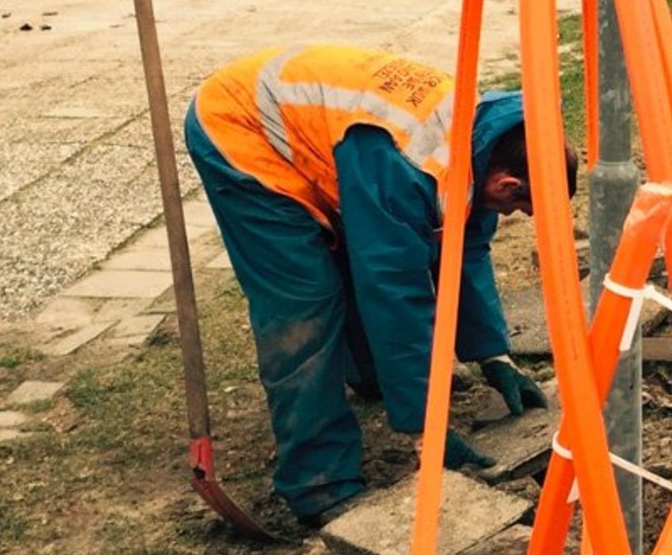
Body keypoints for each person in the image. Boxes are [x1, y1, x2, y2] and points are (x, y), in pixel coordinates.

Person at [184, 44, 569, 525]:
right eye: (515, 208)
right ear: (509, 184)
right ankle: (320, 483)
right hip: (242, 132)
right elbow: (394, 293)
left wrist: (493, 355)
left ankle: (371, 378)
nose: (509, 216)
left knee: (361, 257)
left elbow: (463, 253)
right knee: (306, 301)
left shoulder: (482, 143)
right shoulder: (409, 162)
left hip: (327, 133)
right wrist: (424, 424)